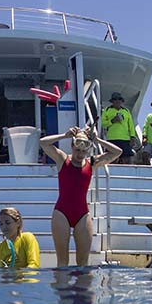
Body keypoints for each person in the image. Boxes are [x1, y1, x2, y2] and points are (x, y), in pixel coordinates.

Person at [40, 126, 120, 267]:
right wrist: (64, 135)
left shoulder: (92, 163)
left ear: (88, 150)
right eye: (77, 150)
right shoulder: (62, 159)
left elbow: (117, 152)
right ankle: (62, 288)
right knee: (62, 262)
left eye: (83, 151)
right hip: (61, 213)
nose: (80, 154)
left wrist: (97, 139)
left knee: (83, 263)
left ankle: (82, 289)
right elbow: (43, 142)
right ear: (72, 146)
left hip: (82, 214)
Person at [99, 92, 136, 163]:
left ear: (121, 101)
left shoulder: (126, 111)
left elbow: (130, 125)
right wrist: (112, 121)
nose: (117, 101)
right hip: (112, 138)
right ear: (112, 101)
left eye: (119, 99)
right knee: (112, 159)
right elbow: (103, 124)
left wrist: (132, 137)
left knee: (127, 159)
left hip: (125, 139)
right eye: (115, 99)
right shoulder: (107, 110)